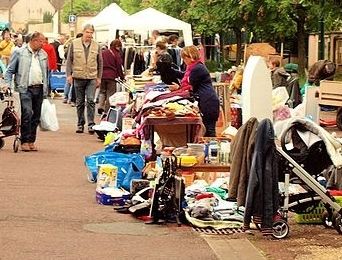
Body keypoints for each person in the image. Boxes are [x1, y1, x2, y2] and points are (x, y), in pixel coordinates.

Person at [4, 32, 48, 151]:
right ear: (34, 41)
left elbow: (46, 73)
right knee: (27, 113)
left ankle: (31, 141)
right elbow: (9, 71)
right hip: (25, 88)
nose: (43, 44)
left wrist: (47, 89)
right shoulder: (19, 53)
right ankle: (24, 140)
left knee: (36, 116)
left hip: (39, 88)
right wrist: (7, 84)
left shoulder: (43, 54)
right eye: (41, 41)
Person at [169, 45, 220, 137]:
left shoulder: (197, 69)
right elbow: (186, 77)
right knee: (208, 129)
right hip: (206, 99)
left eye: (185, 58)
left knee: (209, 130)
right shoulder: (195, 67)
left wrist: (178, 88)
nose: (184, 60)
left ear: (190, 56)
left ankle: (212, 149)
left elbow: (191, 84)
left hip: (207, 101)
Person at [66, 24, 103, 134]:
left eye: (91, 33)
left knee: (91, 100)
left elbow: (100, 62)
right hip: (78, 76)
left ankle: (91, 124)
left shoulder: (97, 46)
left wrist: (99, 77)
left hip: (91, 77)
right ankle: (80, 123)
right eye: (87, 32)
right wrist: (69, 75)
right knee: (80, 102)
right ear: (83, 32)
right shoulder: (74, 43)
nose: (89, 35)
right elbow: (69, 60)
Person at [98, 39, 124, 114]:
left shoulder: (103, 52)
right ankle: (107, 111)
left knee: (102, 91)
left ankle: (100, 106)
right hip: (111, 76)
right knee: (111, 94)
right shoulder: (117, 54)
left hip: (102, 75)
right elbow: (119, 66)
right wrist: (121, 76)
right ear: (117, 46)